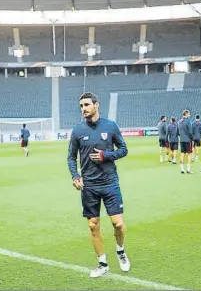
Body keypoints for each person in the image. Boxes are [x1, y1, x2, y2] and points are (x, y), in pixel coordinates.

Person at [67, 92, 130, 278]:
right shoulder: (77, 130)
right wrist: (75, 176)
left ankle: (120, 250)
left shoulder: (110, 126)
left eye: (86, 105)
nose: (83, 109)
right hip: (89, 186)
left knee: (118, 224)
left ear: (96, 105)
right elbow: (71, 157)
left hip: (110, 182)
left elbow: (124, 150)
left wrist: (105, 156)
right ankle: (102, 263)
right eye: (81, 106)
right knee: (93, 225)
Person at [178, 109, 193, 173]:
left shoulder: (179, 122)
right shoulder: (188, 121)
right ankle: (188, 169)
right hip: (187, 140)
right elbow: (190, 132)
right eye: (188, 113)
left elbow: (178, 132)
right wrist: (192, 139)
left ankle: (182, 169)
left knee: (182, 154)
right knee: (189, 154)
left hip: (182, 140)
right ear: (186, 114)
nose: (189, 115)